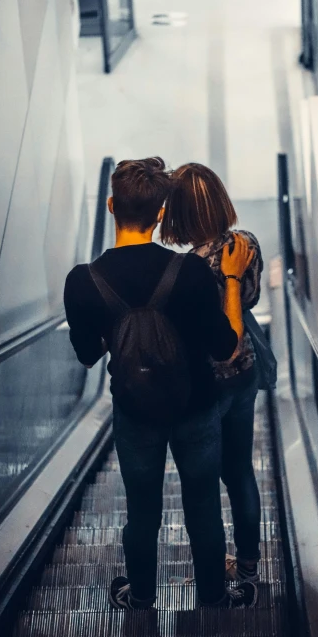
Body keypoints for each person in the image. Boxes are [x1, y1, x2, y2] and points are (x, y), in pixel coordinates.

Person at [64, 158, 257, 610]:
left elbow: (88, 354)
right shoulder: (188, 272)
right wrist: (229, 280)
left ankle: (142, 596)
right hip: (197, 409)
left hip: (135, 414)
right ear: (159, 215)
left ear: (111, 206)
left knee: (143, 511)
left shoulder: (84, 281)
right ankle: (214, 596)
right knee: (203, 504)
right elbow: (227, 346)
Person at [162, 163, 262, 584]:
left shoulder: (188, 269)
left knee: (203, 483)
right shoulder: (246, 243)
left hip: (208, 383)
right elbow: (250, 299)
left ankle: (212, 572)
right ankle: (249, 564)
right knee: (240, 471)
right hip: (245, 372)